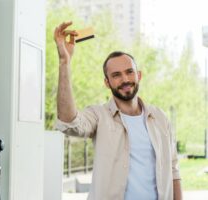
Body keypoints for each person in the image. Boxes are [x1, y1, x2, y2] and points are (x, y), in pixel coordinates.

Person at [54, 21, 182, 200]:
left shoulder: (159, 117)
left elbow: (173, 169)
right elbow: (68, 122)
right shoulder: (99, 116)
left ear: (139, 76)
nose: (125, 79)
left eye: (129, 72)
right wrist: (64, 62)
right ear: (107, 83)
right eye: (116, 75)